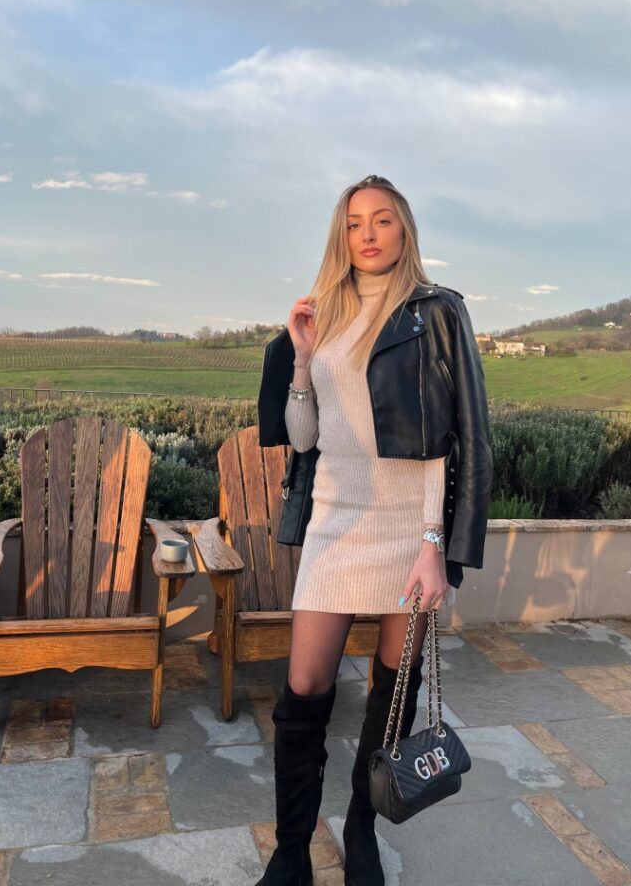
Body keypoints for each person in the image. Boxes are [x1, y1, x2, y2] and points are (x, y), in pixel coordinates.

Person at [255, 174, 493, 886]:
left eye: (382, 219)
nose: (367, 233)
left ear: (403, 229)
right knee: (304, 687)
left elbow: (450, 439)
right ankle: (291, 851)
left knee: (393, 690)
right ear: (342, 234)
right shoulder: (322, 313)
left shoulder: (436, 311)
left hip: (408, 529)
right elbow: (304, 438)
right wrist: (302, 358)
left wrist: (433, 546)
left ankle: (362, 827)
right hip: (336, 522)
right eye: (355, 222)